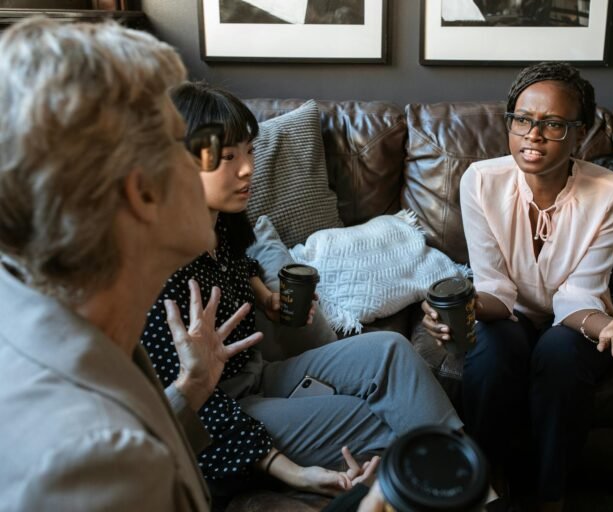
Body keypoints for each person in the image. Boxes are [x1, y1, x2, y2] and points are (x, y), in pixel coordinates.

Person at [141, 81, 464, 507]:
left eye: (249, 152)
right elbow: (186, 412)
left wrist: (264, 296)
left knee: (391, 349)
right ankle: (452, 487)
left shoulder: (219, 220)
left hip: (257, 375)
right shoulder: (157, 270)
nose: (246, 169)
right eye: (227, 157)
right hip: (224, 409)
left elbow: (240, 260)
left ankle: (467, 476)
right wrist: (291, 469)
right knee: (374, 422)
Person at [0, 17, 265, 511]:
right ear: (142, 191)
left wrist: (190, 389)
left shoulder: (76, 315)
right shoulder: (91, 465)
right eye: (185, 144)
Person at [421, 62, 613, 511]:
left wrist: (605, 328)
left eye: (553, 124)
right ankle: (484, 483)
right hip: (506, 314)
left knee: (558, 354)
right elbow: (496, 287)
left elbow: (579, 293)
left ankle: (550, 496)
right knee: (493, 351)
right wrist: (463, 309)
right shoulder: (480, 180)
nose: (533, 135)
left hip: (575, 320)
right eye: (523, 119)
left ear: (581, 133)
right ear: (511, 122)